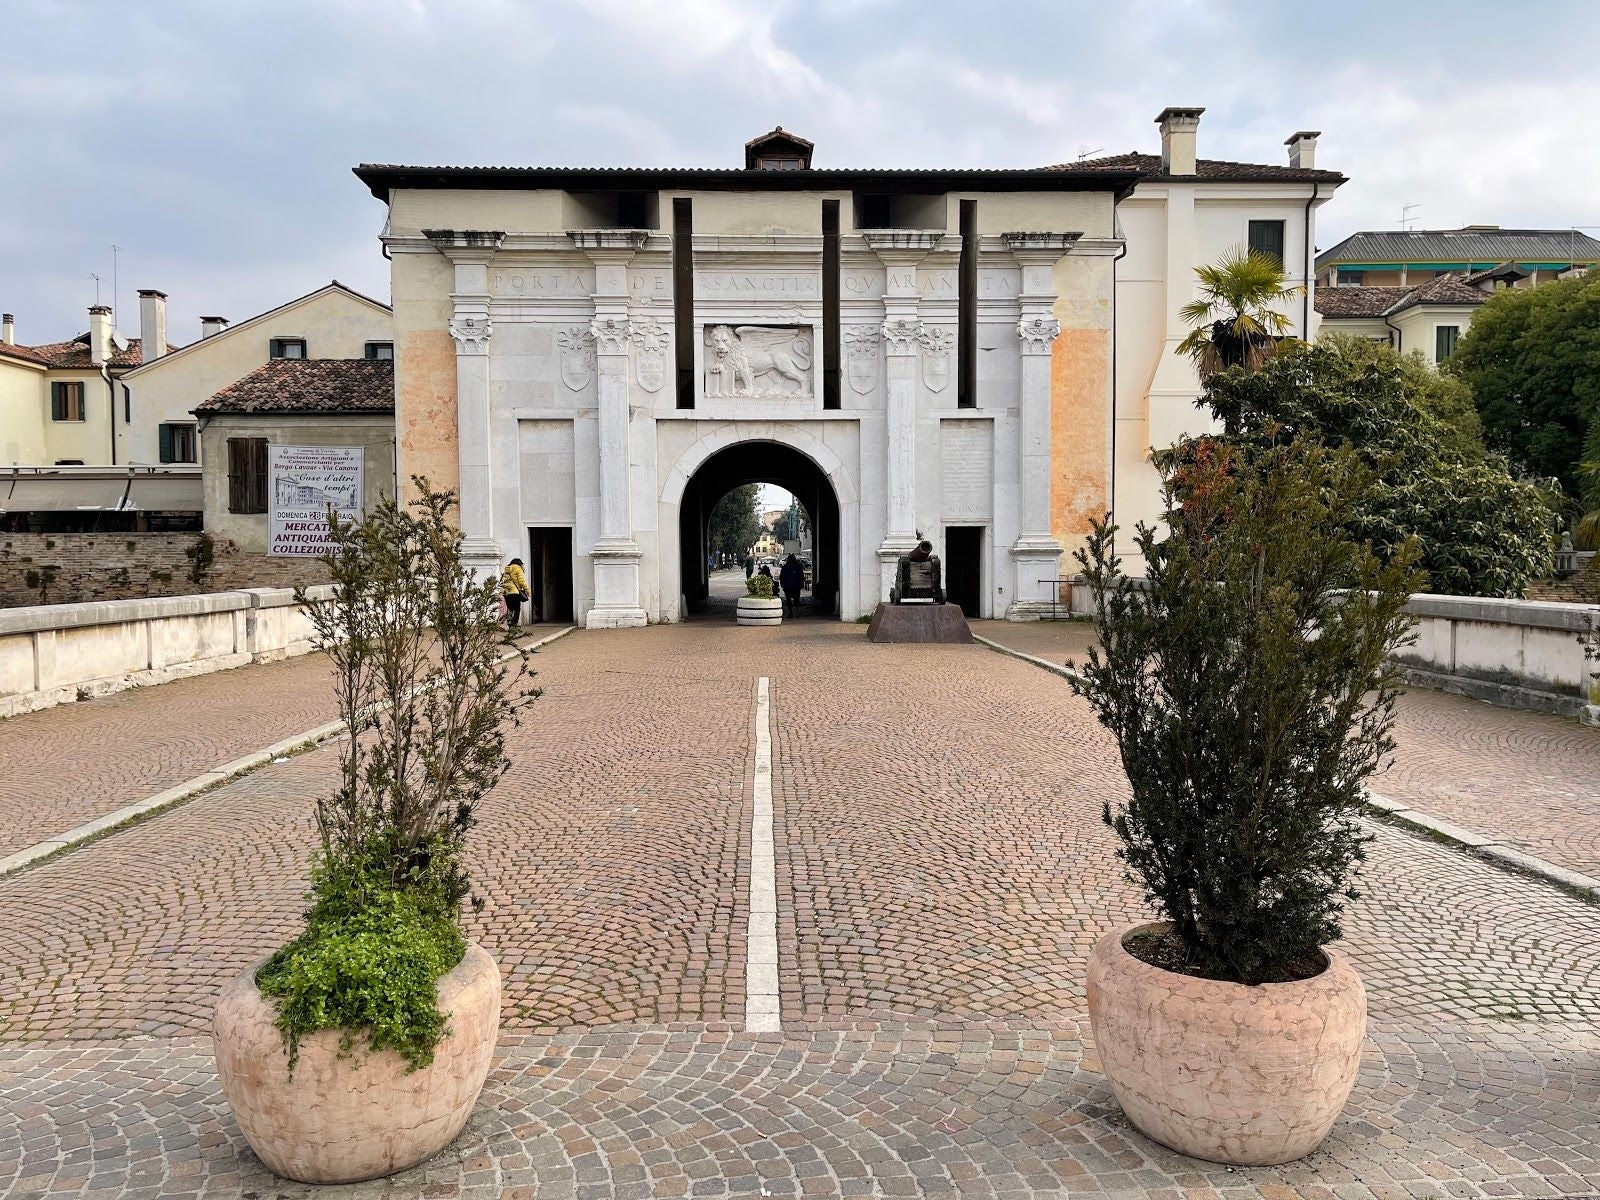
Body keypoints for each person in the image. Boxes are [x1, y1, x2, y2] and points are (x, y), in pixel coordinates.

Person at [502, 558, 530, 629]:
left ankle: (509, 623)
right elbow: (521, 582)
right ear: (519, 563)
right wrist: (528, 591)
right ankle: (514, 624)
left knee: (510, 608)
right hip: (515, 592)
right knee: (517, 608)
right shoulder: (518, 569)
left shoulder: (506, 570)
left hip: (506, 592)